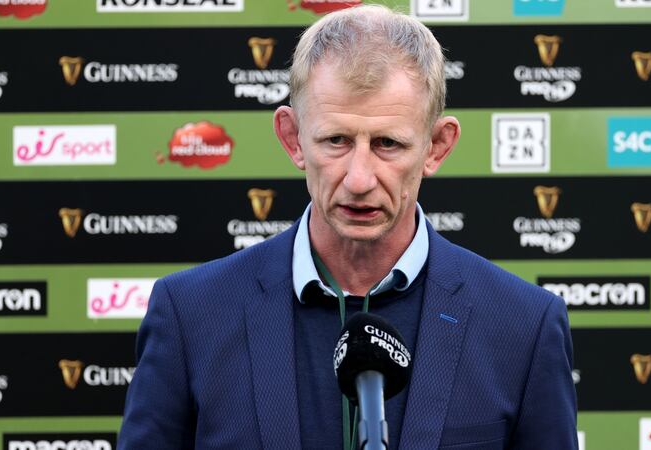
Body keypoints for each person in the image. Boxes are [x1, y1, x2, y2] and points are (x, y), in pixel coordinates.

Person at [118, 5, 577, 449]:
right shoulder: (190, 314)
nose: (359, 179)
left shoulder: (525, 326)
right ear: (293, 138)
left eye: (388, 144)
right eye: (336, 140)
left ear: (436, 146)